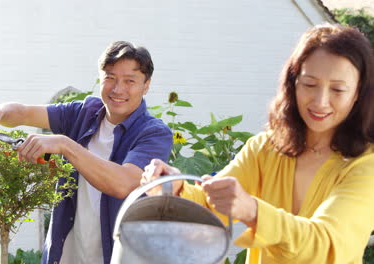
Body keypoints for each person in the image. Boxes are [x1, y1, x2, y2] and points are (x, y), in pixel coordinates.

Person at [142, 24, 374, 263]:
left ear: (358, 93)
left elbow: (324, 244)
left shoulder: (367, 165)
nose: (320, 101)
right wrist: (175, 188)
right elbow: (211, 207)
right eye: (309, 84)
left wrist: (253, 212)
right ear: (293, 82)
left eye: (338, 89)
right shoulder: (266, 147)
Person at [0, 41, 173, 264]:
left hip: (120, 257)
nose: (118, 89)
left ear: (146, 85)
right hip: (66, 255)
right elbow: (23, 113)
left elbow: (123, 183)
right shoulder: (84, 113)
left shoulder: (154, 133)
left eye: (129, 81)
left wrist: (65, 145)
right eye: (110, 78)